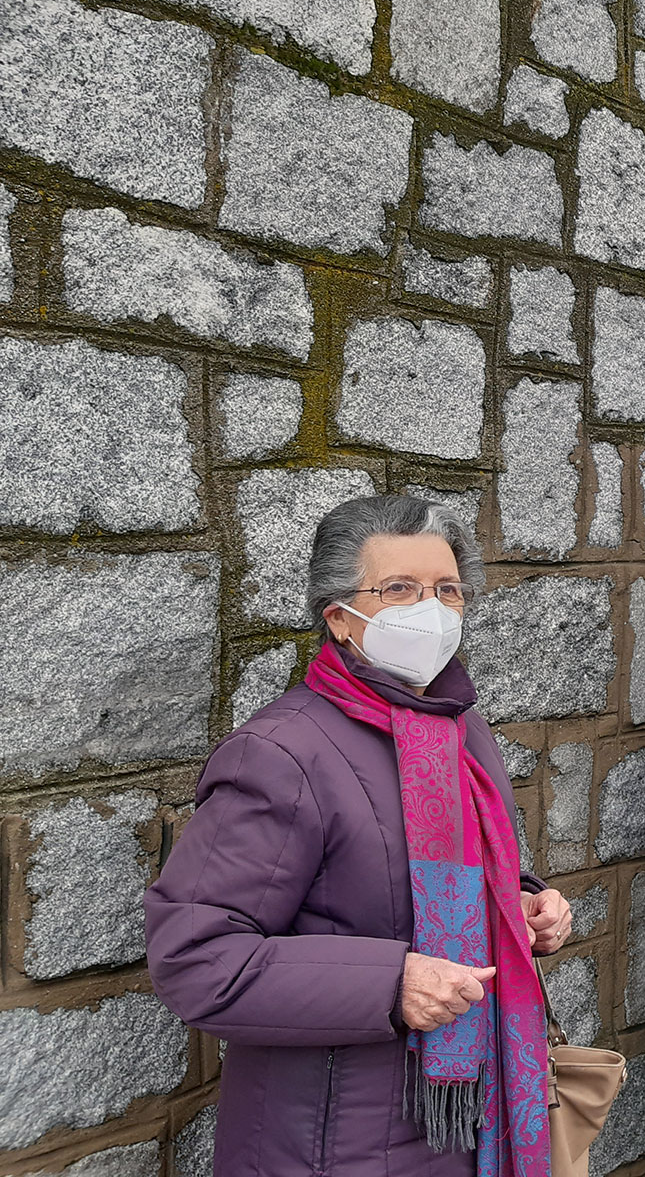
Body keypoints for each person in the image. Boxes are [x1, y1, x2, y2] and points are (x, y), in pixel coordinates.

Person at [146, 496, 571, 1177]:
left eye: (446, 590)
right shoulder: (281, 754)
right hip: (330, 1141)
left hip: (472, 1126)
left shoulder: (462, 729)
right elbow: (197, 958)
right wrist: (390, 985)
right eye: (399, 589)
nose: (429, 609)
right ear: (340, 616)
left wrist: (522, 903)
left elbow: (461, 871)